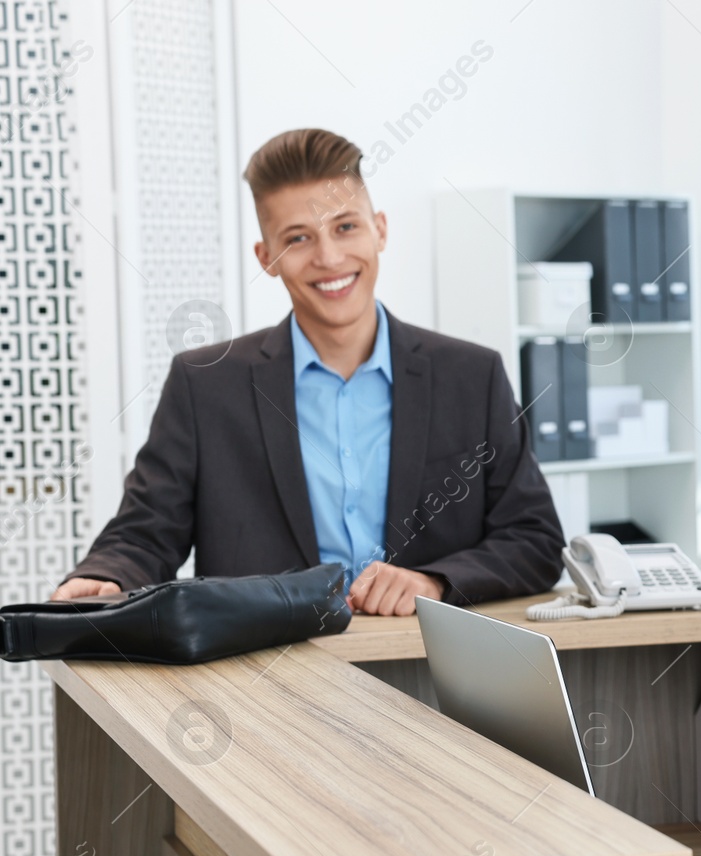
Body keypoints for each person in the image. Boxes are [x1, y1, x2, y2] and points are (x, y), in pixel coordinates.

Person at [53, 129, 564, 616]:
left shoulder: (471, 377)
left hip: (428, 672)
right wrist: (109, 576)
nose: (329, 257)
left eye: (346, 226)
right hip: (266, 683)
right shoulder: (204, 384)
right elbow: (145, 532)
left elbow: (533, 539)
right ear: (267, 257)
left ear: (379, 229)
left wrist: (434, 581)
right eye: (297, 238)